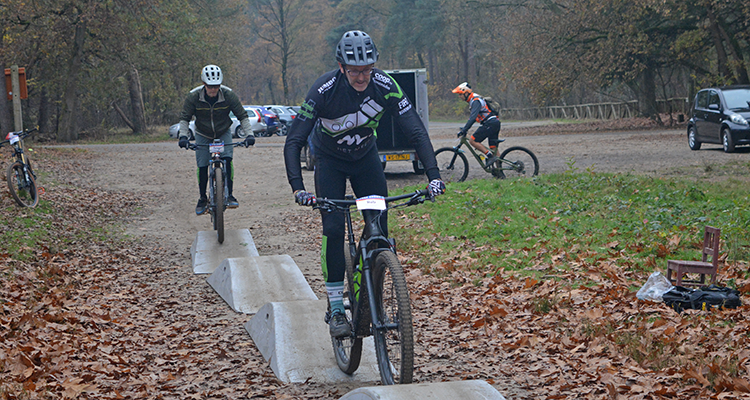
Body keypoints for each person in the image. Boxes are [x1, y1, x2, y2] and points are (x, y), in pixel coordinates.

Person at [283, 30, 445, 338]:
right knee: (333, 228)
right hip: (329, 162)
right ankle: (334, 308)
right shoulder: (324, 89)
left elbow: (416, 131)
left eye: (368, 69)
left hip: (365, 160)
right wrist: (297, 187)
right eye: (356, 70)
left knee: (379, 230)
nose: (362, 76)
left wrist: (434, 175)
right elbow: (294, 141)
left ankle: (373, 296)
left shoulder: (384, 85)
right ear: (342, 67)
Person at [178, 65, 255, 215]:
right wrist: (182, 136)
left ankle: (230, 194)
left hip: (223, 131)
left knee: (227, 159)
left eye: (216, 87)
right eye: (210, 87)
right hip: (203, 133)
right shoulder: (193, 96)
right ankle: (202, 198)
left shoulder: (228, 95)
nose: (213, 90)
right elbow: (184, 118)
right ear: (204, 85)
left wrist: (249, 135)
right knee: (202, 165)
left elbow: (242, 116)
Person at [452, 82, 502, 167]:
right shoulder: (474, 99)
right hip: (494, 123)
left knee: (473, 140)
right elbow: (475, 117)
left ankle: (490, 156)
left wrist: (465, 129)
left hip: (490, 123)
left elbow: (473, 117)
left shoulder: (475, 101)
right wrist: (465, 128)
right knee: (493, 148)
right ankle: (499, 172)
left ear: (466, 93)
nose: (459, 97)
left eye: (460, 94)